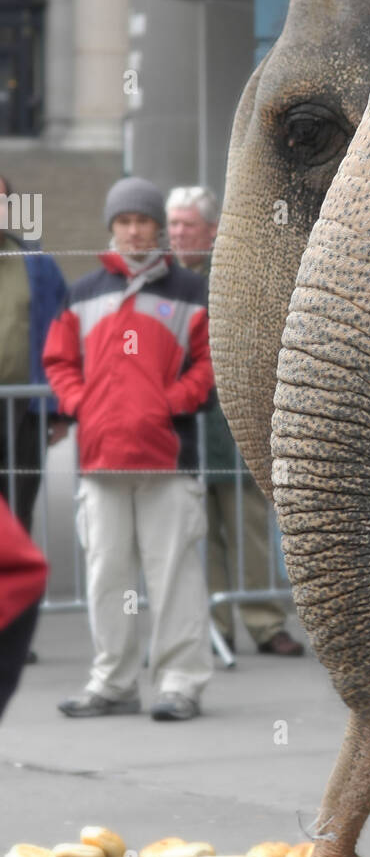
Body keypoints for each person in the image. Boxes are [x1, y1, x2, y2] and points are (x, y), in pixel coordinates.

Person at [44, 177, 215, 719]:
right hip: (101, 459)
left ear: (157, 228)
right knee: (106, 575)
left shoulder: (190, 292)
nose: (134, 230)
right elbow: (58, 362)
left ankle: (180, 683)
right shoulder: (83, 292)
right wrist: (82, 403)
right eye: (124, 221)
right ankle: (113, 683)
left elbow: (213, 367)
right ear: (112, 228)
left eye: (143, 221)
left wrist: (170, 402)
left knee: (174, 576)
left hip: (169, 458)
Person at [166, 186, 303, 657]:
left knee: (248, 528)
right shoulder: (162, 282)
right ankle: (215, 624)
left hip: (234, 423)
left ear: (212, 229)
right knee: (199, 531)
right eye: (174, 225)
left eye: (187, 225)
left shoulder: (238, 277)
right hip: (183, 429)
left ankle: (265, 623)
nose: (178, 234)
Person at [0, 174, 67, 670]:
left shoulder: (35, 264)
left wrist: (60, 406)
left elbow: (61, 335)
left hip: (22, 411)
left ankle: (9, 634)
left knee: (15, 523)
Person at [0, 496, 48, 718]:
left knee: (130, 590)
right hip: (104, 475)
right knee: (117, 579)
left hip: (157, 476)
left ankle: (169, 678)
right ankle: (116, 676)